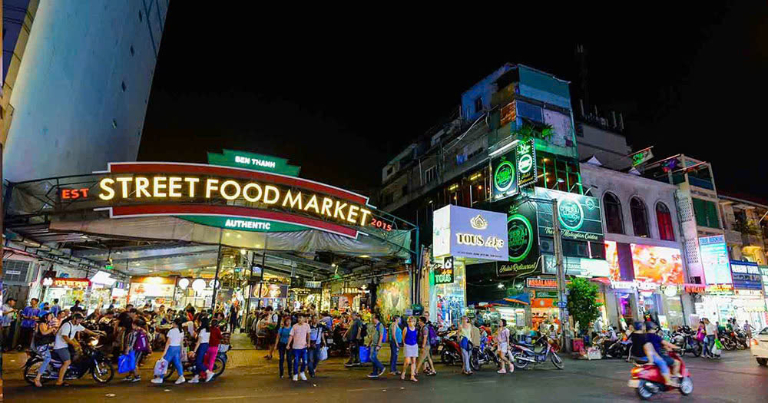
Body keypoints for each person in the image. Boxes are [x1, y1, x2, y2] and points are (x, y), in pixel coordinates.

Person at [53, 313, 103, 386]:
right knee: (67, 362)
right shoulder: (67, 325)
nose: (80, 321)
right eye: (79, 319)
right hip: (61, 346)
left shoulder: (76, 325)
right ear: (74, 319)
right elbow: (65, 337)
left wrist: (95, 334)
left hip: (67, 345)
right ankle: (59, 381)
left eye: (81, 320)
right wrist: (74, 344)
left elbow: (85, 330)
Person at [644, 322, 679, 387]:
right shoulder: (655, 336)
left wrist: (666, 348)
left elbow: (660, 345)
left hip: (646, 356)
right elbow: (666, 343)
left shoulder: (644, 336)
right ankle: (672, 381)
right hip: (657, 356)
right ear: (654, 328)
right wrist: (676, 347)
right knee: (676, 363)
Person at [152, 317, 186, 384]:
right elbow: (181, 342)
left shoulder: (171, 331)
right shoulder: (181, 331)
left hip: (171, 348)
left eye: (173, 323)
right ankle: (181, 376)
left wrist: (164, 352)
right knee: (177, 362)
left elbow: (168, 342)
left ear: (175, 324)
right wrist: (182, 350)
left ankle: (160, 378)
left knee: (164, 362)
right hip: (178, 347)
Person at [33, 312, 57, 387]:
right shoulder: (42, 324)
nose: (51, 317)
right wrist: (52, 329)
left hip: (45, 344)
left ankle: (49, 369)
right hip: (41, 346)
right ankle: (37, 378)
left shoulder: (47, 324)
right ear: (45, 317)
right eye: (50, 316)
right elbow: (43, 333)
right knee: (48, 358)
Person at [287, 313, 311, 381]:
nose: (299, 319)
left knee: (305, 361)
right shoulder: (294, 326)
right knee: (296, 361)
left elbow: (308, 335)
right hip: (296, 347)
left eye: (301, 318)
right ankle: (295, 374)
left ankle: (302, 372)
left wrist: (308, 343)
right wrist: (288, 344)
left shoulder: (307, 326)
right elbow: (291, 336)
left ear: (304, 319)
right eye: (298, 318)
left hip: (304, 347)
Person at [189, 317, 212, 384]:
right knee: (198, 361)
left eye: (200, 322)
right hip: (206, 345)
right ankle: (196, 377)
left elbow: (199, 341)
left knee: (198, 362)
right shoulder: (208, 330)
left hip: (202, 346)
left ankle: (208, 372)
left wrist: (194, 351)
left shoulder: (203, 330)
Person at [367, 314, 386, 378]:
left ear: (376, 319)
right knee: (373, 357)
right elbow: (372, 336)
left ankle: (381, 367)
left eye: (373, 318)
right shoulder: (374, 326)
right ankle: (375, 372)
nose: (372, 319)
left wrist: (379, 345)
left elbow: (381, 336)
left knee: (372, 357)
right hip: (373, 344)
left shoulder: (380, 326)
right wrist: (369, 344)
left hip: (376, 344)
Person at [401, 316, 419, 382]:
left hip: (414, 345)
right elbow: (403, 337)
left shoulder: (416, 329)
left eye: (413, 321)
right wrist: (404, 344)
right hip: (407, 345)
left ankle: (412, 375)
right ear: (408, 322)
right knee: (408, 361)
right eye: (410, 321)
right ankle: (404, 371)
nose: (412, 323)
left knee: (413, 361)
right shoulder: (406, 329)